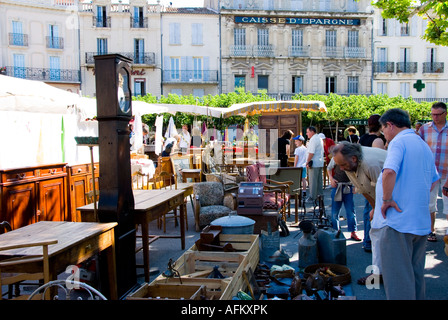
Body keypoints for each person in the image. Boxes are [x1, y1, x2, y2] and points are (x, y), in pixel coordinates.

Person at [373, 108, 439, 300]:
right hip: (419, 221)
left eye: (383, 129)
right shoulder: (422, 144)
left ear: (390, 125)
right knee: (415, 274)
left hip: (398, 222)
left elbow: (389, 172)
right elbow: (434, 179)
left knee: (398, 279)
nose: (383, 134)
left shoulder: (398, 142)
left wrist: (386, 200)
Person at [332, 141, 387, 285]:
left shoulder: (371, 164)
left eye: (343, 165)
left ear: (354, 159)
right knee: (375, 234)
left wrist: (380, 210)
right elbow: (363, 189)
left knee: (387, 238)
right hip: (382, 198)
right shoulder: (349, 166)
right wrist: (374, 208)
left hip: (393, 198)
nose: (342, 169)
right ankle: (378, 274)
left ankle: (389, 275)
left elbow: (383, 192)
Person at [418, 102, 448, 242]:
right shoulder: (425, 129)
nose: (435, 117)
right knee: (429, 203)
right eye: (433, 114)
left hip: (446, 172)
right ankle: (431, 230)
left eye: (438, 114)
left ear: (445, 114)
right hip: (429, 172)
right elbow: (418, 148)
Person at [327, 157, 360, 241]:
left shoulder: (351, 158)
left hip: (348, 186)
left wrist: (356, 185)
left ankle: (353, 231)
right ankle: (335, 232)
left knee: (350, 211)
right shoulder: (335, 158)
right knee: (335, 212)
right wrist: (331, 178)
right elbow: (329, 168)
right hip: (338, 185)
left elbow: (357, 172)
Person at [305, 126, 324, 202]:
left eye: (307, 132)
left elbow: (311, 152)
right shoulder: (319, 138)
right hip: (319, 162)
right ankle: (320, 196)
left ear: (312, 132)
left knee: (313, 181)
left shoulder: (313, 140)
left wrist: (307, 161)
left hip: (314, 162)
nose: (306, 134)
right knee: (319, 181)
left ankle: (313, 197)